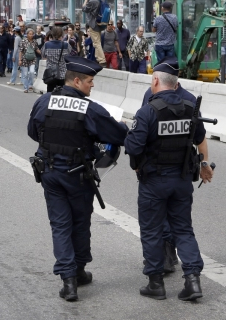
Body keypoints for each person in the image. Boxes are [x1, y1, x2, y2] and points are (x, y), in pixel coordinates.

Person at [27, 56, 128, 301]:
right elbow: (118, 134)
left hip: (50, 173)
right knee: (80, 222)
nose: (92, 86)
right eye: (90, 82)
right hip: (77, 176)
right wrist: (121, 126)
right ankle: (79, 270)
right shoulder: (89, 108)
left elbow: (32, 132)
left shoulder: (44, 101)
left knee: (60, 224)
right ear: (76, 80)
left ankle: (68, 281)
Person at [124, 59, 212, 301]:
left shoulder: (147, 111)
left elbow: (132, 147)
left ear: (155, 81)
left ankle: (155, 283)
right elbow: (200, 138)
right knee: (183, 229)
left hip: (154, 182)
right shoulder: (190, 106)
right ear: (175, 83)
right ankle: (193, 281)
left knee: (152, 231)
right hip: (182, 180)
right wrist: (203, 164)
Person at [41, 26, 70, 92]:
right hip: (62, 74)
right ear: (62, 34)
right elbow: (70, 54)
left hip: (51, 74)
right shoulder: (66, 45)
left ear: (52, 34)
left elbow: (43, 55)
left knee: (50, 93)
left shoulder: (47, 45)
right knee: (62, 94)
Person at [82, 0, 106, 66]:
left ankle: (102, 60)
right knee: (97, 42)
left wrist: (85, 1)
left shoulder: (92, 2)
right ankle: (98, 58)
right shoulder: (100, 1)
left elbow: (84, 8)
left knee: (96, 43)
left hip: (93, 24)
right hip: (99, 24)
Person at [19, 28, 41, 93]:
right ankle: (25, 87)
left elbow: (37, 49)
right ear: (27, 34)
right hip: (24, 59)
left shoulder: (35, 42)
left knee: (31, 72)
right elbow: (21, 51)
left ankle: (30, 85)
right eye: (30, 34)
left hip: (33, 59)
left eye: (32, 34)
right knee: (25, 74)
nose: (31, 35)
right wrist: (20, 60)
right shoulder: (23, 41)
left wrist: (42, 53)